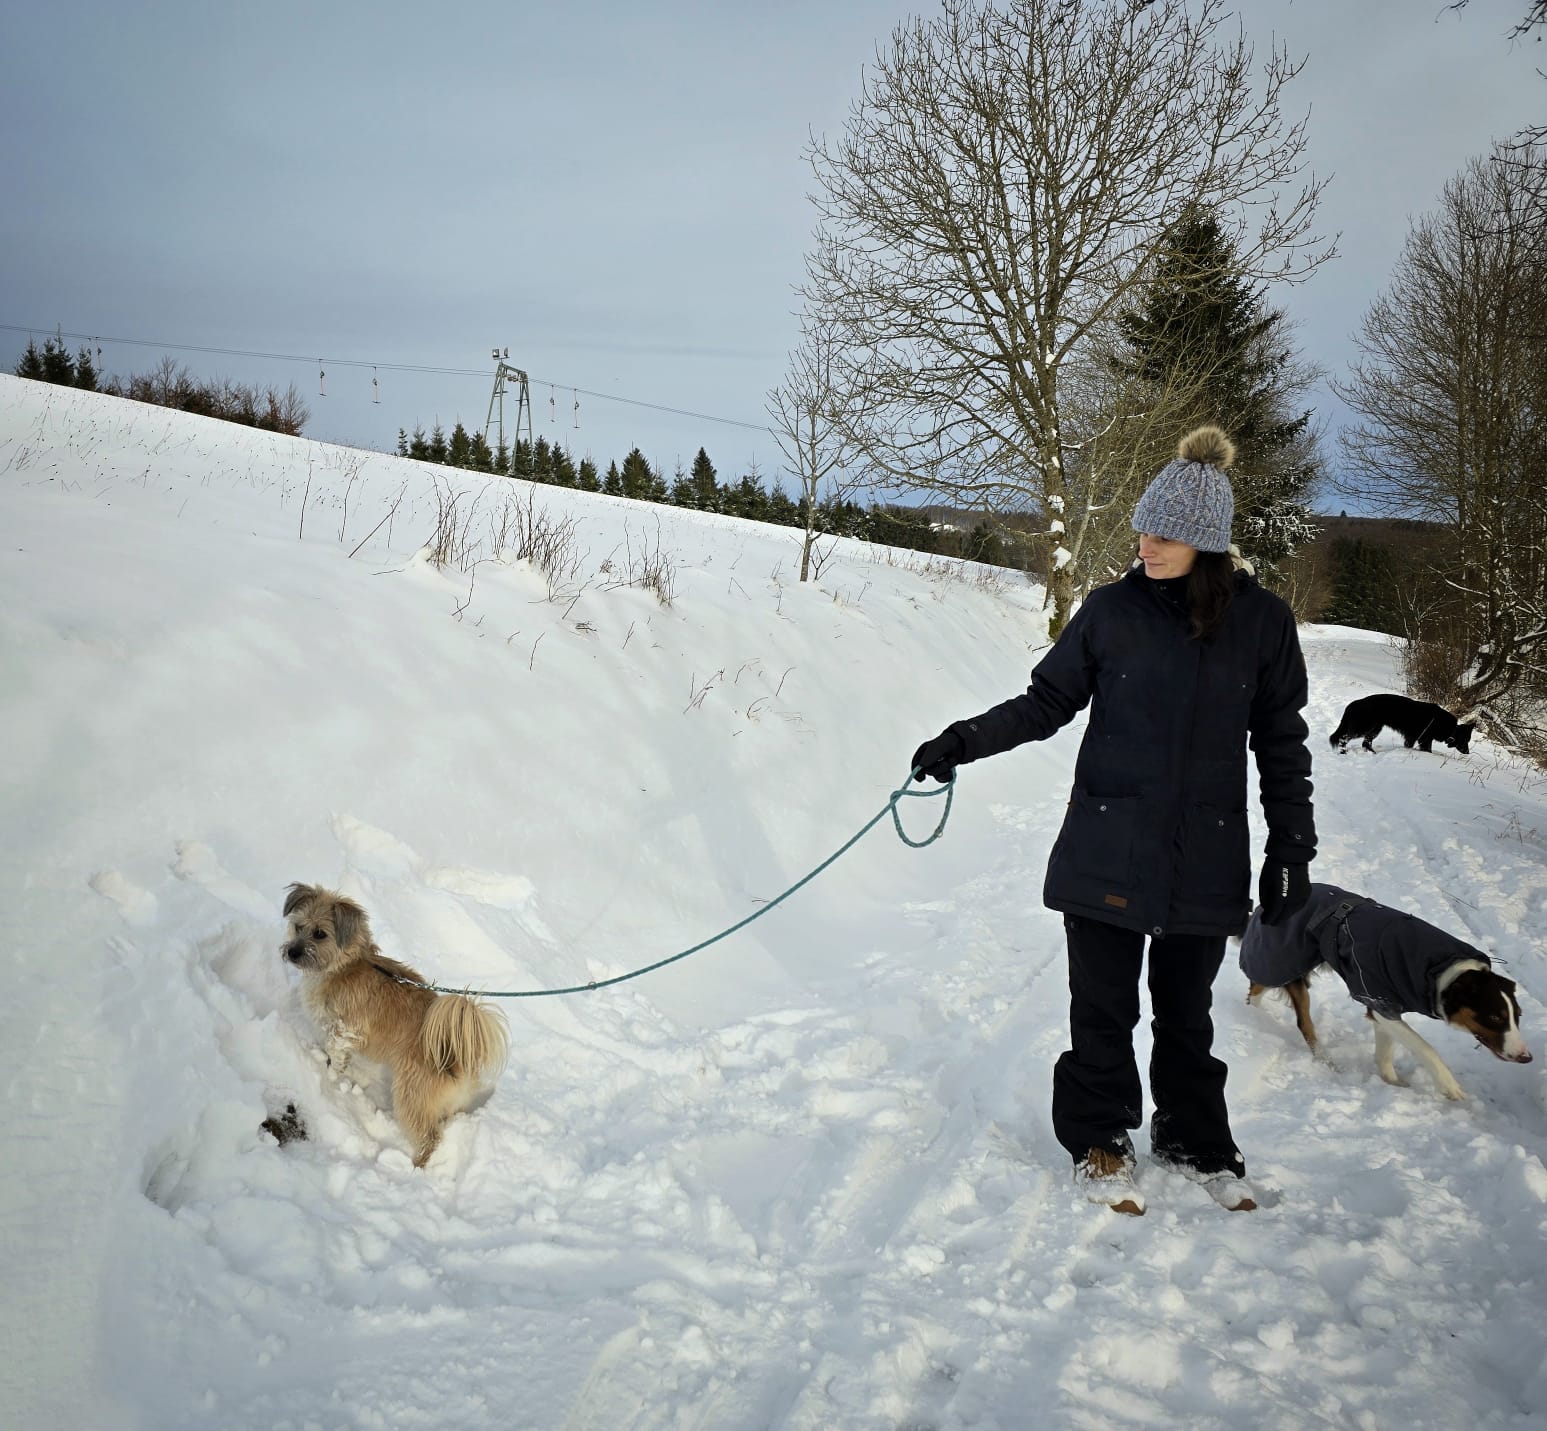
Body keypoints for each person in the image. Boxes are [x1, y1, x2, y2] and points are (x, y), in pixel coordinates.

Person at [910, 426, 1315, 1215]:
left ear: (1205, 541)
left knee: (1185, 1012)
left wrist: (1291, 845)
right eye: (1142, 528)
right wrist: (961, 741)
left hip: (1205, 849)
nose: (1145, 544)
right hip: (1107, 844)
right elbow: (1045, 701)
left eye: (1162, 534)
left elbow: (1282, 740)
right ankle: (1098, 1137)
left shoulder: (1262, 623)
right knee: (1101, 1008)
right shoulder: (1110, 610)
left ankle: (1193, 1137)